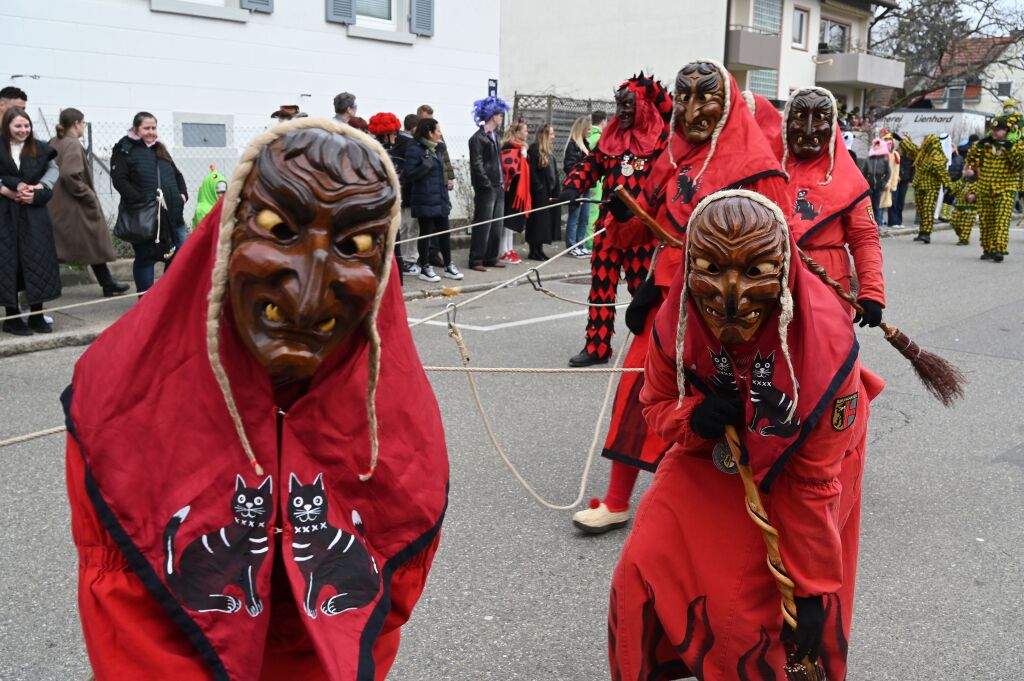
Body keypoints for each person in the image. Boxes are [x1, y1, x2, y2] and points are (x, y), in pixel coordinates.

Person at [64, 118, 448, 680]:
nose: (310, 298)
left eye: (355, 244)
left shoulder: (391, 419)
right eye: (278, 229)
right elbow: (132, 625)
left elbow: (380, 593)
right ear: (224, 237)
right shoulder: (121, 404)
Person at [609, 190, 883, 680]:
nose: (730, 296)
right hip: (713, 449)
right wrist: (694, 418)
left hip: (800, 467)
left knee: (760, 616)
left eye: (756, 272)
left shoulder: (825, 353)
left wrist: (811, 588)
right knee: (641, 564)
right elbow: (654, 403)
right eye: (710, 269)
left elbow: (813, 485)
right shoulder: (678, 319)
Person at [571, 60, 789, 533]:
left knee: (734, 403)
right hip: (666, 302)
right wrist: (623, 216)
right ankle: (616, 498)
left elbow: (780, 251)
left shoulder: (757, 168)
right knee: (638, 395)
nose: (692, 109)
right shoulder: (672, 158)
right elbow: (638, 233)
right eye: (684, 96)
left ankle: (744, 498)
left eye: (704, 98)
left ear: (726, 103)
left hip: (733, 310)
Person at [559, 72, 673, 367]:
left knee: (642, 292)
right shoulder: (610, 138)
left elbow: (668, 181)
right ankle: (597, 348)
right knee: (601, 287)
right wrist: (572, 185)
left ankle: (654, 350)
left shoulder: (660, 140)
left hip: (641, 232)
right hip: (608, 228)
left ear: (644, 108)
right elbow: (590, 165)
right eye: (618, 105)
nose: (621, 112)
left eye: (628, 106)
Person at [781, 86, 886, 326]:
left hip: (827, 287)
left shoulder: (849, 179)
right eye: (799, 116)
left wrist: (871, 292)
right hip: (769, 286)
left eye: (819, 118)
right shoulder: (766, 172)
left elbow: (865, 238)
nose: (808, 130)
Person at [48, 107, 130, 298]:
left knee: (60, 245)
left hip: (56, 203)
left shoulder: (54, 141)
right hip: (74, 205)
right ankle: (107, 284)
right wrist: (88, 194)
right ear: (76, 123)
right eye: (83, 123)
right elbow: (70, 174)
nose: (84, 126)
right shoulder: (72, 144)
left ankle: (107, 283)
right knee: (91, 241)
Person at [110, 111, 188, 293]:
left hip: (173, 217)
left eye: (154, 128)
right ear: (136, 128)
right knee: (145, 259)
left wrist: (182, 196)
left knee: (179, 256)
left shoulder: (160, 149)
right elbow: (120, 179)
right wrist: (140, 200)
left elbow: (177, 175)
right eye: (147, 128)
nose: (151, 132)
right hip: (145, 217)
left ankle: (164, 295)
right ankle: (146, 300)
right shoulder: (124, 148)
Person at [0, 107, 62, 335]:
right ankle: (12, 317)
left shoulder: (40, 148)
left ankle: (37, 314)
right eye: (18, 126)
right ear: (7, 127)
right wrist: (5, 190)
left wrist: (39, 189)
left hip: (34, 214)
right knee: (8, 264)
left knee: (38, 261)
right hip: (5, 215)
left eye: (26, 126)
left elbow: (52, 173)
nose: (23, 130)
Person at [405, 117, 463, 282]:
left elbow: (443, 171)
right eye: (437, 130)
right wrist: (424, 166)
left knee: (445, 233)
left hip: (440, 197)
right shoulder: (414, 149)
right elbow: (409, 175)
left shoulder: (439, 147)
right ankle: (424, 267)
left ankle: (448, 265)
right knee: (426, 234)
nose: (440, 133)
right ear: (429, 133)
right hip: (424, 198)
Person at [967, 115, 1024, 262]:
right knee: (986, 221)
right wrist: (979, 145)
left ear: (1005, 130)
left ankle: (999, 249)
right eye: (993, 129)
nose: (994, 133)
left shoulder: (1016, 144)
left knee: (1001, 220)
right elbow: (971, 161)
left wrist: (1009, 149)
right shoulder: (987, 145)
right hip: (985, 188)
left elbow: (1018, 165)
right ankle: (988, 248)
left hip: (1005, 188)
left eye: (998, 130)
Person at [467, 95, 510, 272]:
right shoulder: (477, 138)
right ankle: (476, 259)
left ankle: (491, 257)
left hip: (498, 185)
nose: (502, 119)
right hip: (487, 187)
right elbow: (476, 164)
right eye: (500, 115)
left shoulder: (495, 136)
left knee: (497, 224)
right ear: (493, 115)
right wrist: (485, 184)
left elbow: (497, 161)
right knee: (483, 223)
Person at [417, 104, 457, 268]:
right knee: (426, 227)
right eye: (427, 119)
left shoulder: (438, 136)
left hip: (440, 184)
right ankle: (425, 257)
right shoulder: (418, 140)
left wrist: (450, 177)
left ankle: (437, 254)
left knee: (441, 224)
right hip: (426, 188)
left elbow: (445, 157)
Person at [896, 132, 951, 244]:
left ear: (930, 143)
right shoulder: (923, 153)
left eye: (925, 141)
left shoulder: (937, 156)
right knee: (921, 210)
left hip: (931, 187)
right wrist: (901, 140)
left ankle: (926, 233)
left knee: (928, 209)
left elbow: (942, 172)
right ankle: (922, 232)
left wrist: (947, 185)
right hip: (920, 185)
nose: (923, 143)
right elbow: (912, 148)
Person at [525, 124, 560, 261]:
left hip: (547, 190)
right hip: (539, 192)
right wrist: (538, 187)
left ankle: (539, 249)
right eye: (551, 134)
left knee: (544, 222)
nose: (553, 137)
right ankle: (534, 250)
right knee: (537, 222)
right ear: (544, 135)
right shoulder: (534, 150)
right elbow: (532, 172)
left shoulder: (548, 151)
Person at [390, 113, 419, 275]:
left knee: (402, 227)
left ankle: (405, 257)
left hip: (398, 191)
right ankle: (410, 259)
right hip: (409, 191)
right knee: (412, 227)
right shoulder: (411, 144)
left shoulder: (397, 143)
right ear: (414, 128)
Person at [499, 118, 530, 251]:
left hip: (518, 189)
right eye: (525, 131)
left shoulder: (521, 149)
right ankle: (504, 250)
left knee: (511, 223)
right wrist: (521, 156)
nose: (527, 133)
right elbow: (510, 169)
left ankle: (509, 249)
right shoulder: (509, 148)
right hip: (510, 189)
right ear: (517, 133)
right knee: (507, 221)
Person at [562, 116, 591, 257]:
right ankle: (572, 244)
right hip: (577, 186)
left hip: (586, 186)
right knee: (575, 216)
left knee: (584, 217)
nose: (590, 132)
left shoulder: (586, 144)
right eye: (588, 129)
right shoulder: (573, 145)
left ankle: (581, 242)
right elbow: (568, 166)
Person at [579, 110, 607, 255]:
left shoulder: (590, 136)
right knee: (593, 212)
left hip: (592, 181)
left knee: (590, 211)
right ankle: (590, 242)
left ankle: (587, 241)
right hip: (597, 182)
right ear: (603, 122)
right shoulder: (600, 139)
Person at [887, 133, 914, 229]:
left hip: (905, 181)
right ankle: (892, 221)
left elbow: (912, 168)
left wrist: (911, 179)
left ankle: (898, 221)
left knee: (900, 201)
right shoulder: (896, 153)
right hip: (895, 179)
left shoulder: (911, 155)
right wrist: (896, 175)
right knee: (894, 199)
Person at [864, 137, 891, 224]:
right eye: (875, 144)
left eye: (878, 145)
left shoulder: (884, 159)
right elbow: (863, 171)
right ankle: (869, 223)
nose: (877, 146)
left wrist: (884, 182)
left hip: (879, 184)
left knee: (876, 205)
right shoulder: (868, 159)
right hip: (869, 184)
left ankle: (876, 224)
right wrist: (865, 183)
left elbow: (888, 172)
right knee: (868, 206)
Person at [950, 165, 979, 245]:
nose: (967, 170)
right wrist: (948, 189)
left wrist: (974, 196)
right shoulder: (962, 181)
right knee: (953, 221)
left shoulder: (978, 183)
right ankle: (961, 235)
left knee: (966, 225)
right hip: (959, 206)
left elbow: (982, 192)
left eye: (970, 168)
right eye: (967, 168)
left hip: (970, 208)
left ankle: (964, 239)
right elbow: (953, 187)